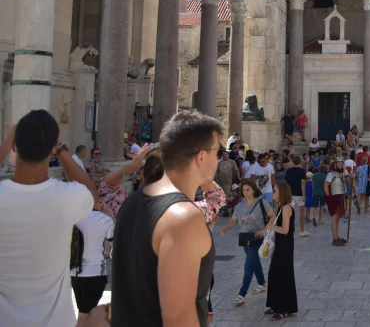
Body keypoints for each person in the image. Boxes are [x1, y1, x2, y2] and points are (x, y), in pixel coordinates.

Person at [111, 110, 221, 326]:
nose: (219, 160)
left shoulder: (130, 204)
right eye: (217, 152)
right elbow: (178, 318)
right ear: (201, 156)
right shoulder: (183, 217)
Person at [0, 112, 97, 327]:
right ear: (53, 146)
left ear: (15, 146)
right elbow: (92, 192)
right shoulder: (67, 198)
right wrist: (61, 151)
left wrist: (8, 141)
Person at [219, 179, 274, 305]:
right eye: (243, 190)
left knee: (248, 264)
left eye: (248, 190)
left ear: (254, 190)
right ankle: (262, 283)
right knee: (254, 262)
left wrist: (265, 230)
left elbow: (272, 217)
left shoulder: (262, 203)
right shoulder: (239, 206)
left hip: (257, 236)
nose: (245, 192)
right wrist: (225, 228)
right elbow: (233, 220)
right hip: (244, 237)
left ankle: (242, 293)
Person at [71, 197, 115, 327]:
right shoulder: (104, 219)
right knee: (87, 313)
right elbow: (115, 244)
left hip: (74, 273)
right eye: (99, 199)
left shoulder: (71, 218)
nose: (102, 202)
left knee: (83, 312)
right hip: (95, 272)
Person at [264, 183, 298, 320]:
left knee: (282, 275)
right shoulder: (280, 207)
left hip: (285, 246)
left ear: (282, 192)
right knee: (273, 273)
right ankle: (275, 304)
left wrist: (270, 226)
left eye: (275, 190)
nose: (273, 192)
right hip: (280, 244)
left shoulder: (286, 208)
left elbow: (285, 230)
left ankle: (284, 308)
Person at [324, 157, 349, 245]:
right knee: (335, 217)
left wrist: (350, 177)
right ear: (335, 164)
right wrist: (329, 198)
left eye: (341, 163)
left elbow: (347, 182)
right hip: (334, 197)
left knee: (338, 218)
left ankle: (337, 237)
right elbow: (326, 185)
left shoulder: (343, 172)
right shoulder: (331, 173)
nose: (340, 164)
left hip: (342, 196)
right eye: (338, 163)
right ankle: (335, 239)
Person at [285, 155, 309, 237]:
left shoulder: (288, 171)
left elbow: (287, 183)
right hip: (299, 194)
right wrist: (304, 196)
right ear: (300, 162)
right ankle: (302, 230)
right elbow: (302, 184)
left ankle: (291, 230)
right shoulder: (302, 171)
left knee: (290, 213)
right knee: (302, 213)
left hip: (291, 194)